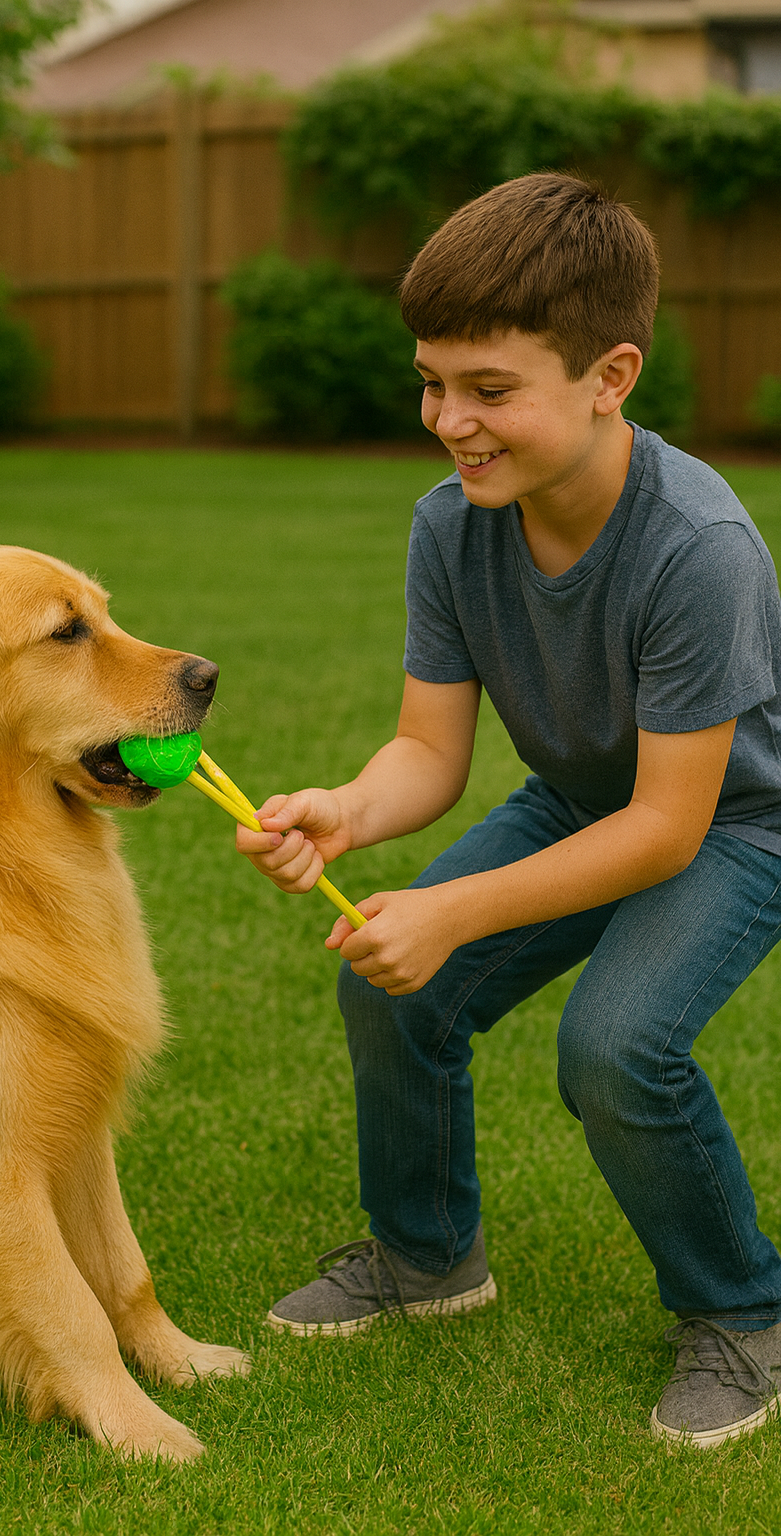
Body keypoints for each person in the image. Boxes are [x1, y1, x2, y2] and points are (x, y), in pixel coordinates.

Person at [236, 172, 781, 1448]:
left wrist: (449, 908)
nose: (450, 422)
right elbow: (430, 747)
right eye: (434, 383)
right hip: (579, 799)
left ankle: (745, 1314)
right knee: (388, 980)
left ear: (611, 375)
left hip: (732, 826)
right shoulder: (453, 526)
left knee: (614, 1051)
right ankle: (428, 1259)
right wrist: (349, 810)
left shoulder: (699, 547)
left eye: (490, 391)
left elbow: (663, 833)